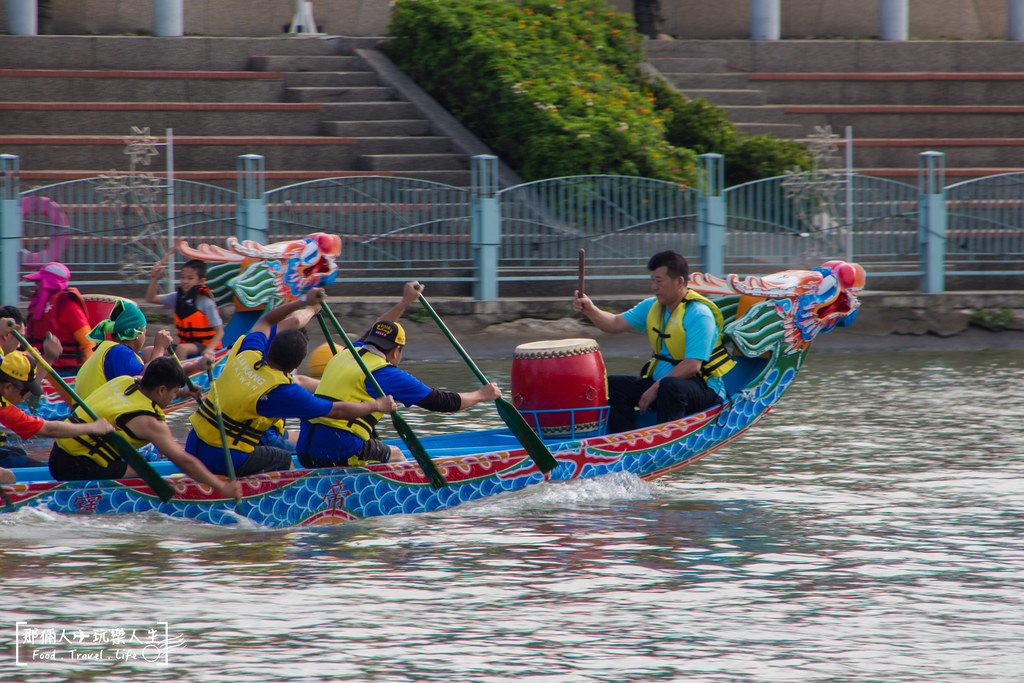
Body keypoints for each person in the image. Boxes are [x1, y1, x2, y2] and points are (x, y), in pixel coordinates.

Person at [185, 288, 398, 477]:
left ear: (271, 344)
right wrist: (378, 406)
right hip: (222, 457)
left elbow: (267, 321)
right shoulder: (283, 391)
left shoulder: (249, 351)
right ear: (296, 364)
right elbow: (338, 411)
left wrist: (306, 303)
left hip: (193, 443)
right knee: (285, 459)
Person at [297, 282, 502, 469]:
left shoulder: (349, 352)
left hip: (305, 447)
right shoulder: (386, 374)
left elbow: (378, 327)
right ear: (396, 351)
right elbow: (441, 402)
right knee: (395, 454)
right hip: (336, 450)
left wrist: (405, 301)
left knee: (373, 441)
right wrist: (481, 395)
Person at [572, 250, 735, 433]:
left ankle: (666, 438)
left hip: (702, 387)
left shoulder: (699, 314)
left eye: (659, 281)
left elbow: (692, 365)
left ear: (679, 281)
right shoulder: (652, 306)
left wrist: (655, 388)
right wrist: (590, 310)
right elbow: (614, 324)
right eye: (652, 280)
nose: (654, 287)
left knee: (669, 386)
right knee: (613, 385)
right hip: (663, 385)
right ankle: (624, 439)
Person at [48, 357, 241, 499]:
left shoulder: (126, 380)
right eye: (173, 393)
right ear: (162, 390)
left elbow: (154, 376)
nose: (173, 397)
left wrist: (183, 391)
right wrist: (222, 487)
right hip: (76, 467)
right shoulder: (149, 422)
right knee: (146, 471)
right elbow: (185, 461)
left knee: (141, 460)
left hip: (57, 452)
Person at [0, 351, 115, 461]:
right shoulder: (4, 410)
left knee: (19, 453)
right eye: (24, 392)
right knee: (10, 476)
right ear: (8, 387)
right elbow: (49, 429)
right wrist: (93, 427)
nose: (24, 398)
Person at [73, 299, 178, 400]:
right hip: (95, 416)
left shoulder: (107, 349)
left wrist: (182, 391)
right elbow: (148, 381)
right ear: (137, 333)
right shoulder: (119, 352)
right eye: (144, 332)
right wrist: (159, 348)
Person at [146, 257, 225, 360]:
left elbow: (220, 331)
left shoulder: (206, 302)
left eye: (190, 278)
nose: (185, 281)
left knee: (182, 349)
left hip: (206, 347)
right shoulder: (177, 298)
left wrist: (209, 350)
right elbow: (151, 298)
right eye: (182, 277)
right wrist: (154, 279)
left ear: (201, 281)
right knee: (147, 351)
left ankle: (181, 375)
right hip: (185, 347)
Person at [23, 262, 94, 372]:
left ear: (51, 282)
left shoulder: (68, 305)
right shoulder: (38, 305)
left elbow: (89, 344)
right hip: (39, 369)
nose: (36, 284)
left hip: (65, 372)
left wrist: (89, 373)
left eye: (40, 281)